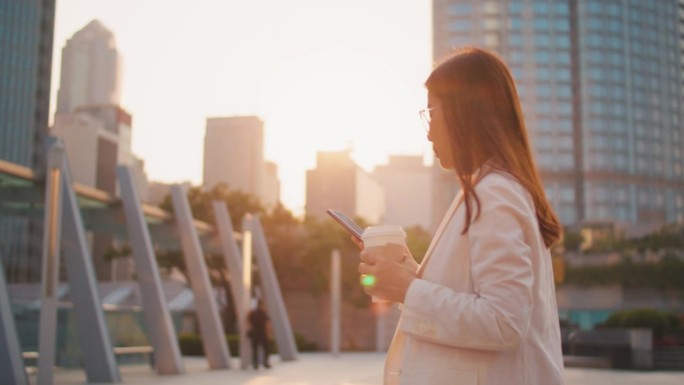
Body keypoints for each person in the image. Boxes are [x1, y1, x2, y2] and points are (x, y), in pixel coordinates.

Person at [357, 47, 565, 385]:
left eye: (432, 114)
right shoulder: (489, 188)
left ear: (464, 113)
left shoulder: (494, 193)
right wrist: (412, 275)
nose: (428, 133)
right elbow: (480, 297)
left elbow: (503, 321)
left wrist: (408, 289)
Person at [247, 300, 271, 369]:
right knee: (266, 349)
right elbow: (267, 324)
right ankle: (266, 363)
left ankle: (255, 364)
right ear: (261, 305)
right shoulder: (263, 313)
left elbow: (248, 321)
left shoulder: (252, 313)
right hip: (262, 333)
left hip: (254, 333)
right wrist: (268, 333)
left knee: (255, 349)